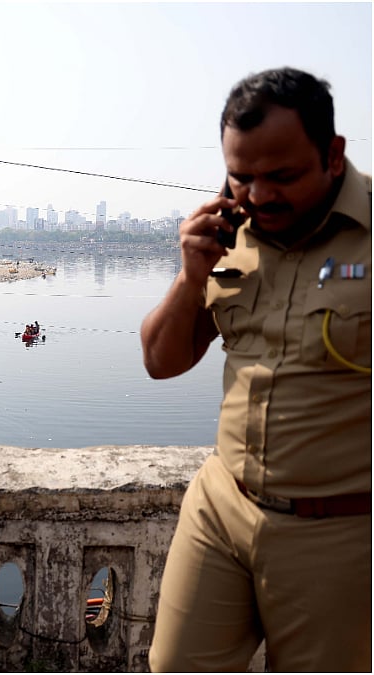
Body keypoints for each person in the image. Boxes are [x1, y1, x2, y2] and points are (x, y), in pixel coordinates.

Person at [140, 68, 370, 672]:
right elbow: (160, 361)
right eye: (241, 177)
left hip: (340, 531)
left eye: (283, 176)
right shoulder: (227, 235)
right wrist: (192, 277)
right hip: (222, 507)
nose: (259, 196)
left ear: (333, 154)